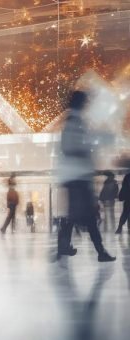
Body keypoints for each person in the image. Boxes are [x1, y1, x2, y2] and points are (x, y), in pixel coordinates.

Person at [55, 91, 115, 262]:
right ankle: (99, 252)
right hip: (78, 178)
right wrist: (100, 140)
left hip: (74, 177)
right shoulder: (75, 122)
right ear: (81, 103)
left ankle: (65, 247)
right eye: (86, 102)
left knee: (78, 216)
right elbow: (73, 147)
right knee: (86, 216)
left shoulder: (72, 120)